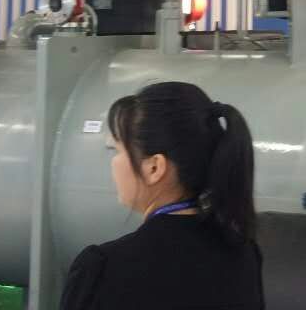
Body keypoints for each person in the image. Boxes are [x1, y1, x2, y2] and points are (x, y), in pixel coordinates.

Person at [60, 81, 264, 310]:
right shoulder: (243, 255)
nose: (114, 163)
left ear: (155, 167)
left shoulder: (104, 268)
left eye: (117, 150)